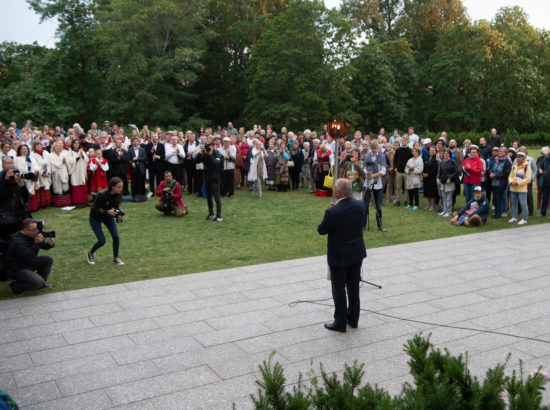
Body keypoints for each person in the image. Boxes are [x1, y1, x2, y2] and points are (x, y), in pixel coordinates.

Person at [318, 178, 366, 333]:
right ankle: (353, 319)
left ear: (339, 192)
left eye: (334, 188)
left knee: (338, 288)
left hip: (339, 255)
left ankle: (339, 322)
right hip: (356, 253)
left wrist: (335, 211)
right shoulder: (361, 205)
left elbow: (321, 230)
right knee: (353, 288)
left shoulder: (332, 212)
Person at [4, 218, 55, 296]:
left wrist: (50, 244)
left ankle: (41, 283)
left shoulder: (30, 235)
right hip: (15, 269)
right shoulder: (17, 242)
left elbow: (44, 246)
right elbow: (29, 257)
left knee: (48, 259)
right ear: (25, 230)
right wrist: (37, 244)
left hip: (25, 263)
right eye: (34, 229)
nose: (37, 231)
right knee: (38, 283)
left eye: (37, 228)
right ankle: (15, 287)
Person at [87, 177, 125, 265]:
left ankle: (116, 258)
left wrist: (119, 212)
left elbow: (116, 206)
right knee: (101, 241)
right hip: (95, 218)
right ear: (112, 187)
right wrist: (107, 211)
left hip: (107, 216)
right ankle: (91, 253)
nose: (121, 189)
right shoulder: (101, 195)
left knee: (116, 237)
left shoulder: (118, 194)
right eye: (119, 187)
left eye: (121, 187)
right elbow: (95, 209)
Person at [0, 157, 31, 240]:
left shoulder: (18, 184)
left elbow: (26, 199)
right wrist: (6, 181)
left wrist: (22, 186)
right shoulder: (3, 184)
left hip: (19, 215)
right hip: (6, 217)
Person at [362, 142, 387, 231]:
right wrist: (367, 173)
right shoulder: (368, 156)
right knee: (365, 206)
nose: (373, 150)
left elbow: (383, 171)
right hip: (368, 184)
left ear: (378, 148)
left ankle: (380, 225)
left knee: (378, 207)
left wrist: (374, 175)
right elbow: (364, 167)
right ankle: (363, 225)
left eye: (375, 148)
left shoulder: (381, 157)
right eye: (372, 148)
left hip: (378, 184)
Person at [196, 142, 223, 222]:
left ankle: (219, 216)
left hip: (215, 178)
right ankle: (211, 214)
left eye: (209, 146)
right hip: (207, 178)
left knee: (217, 198)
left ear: (212, 146)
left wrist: (210, 155)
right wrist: (200, 153)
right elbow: (196, 161)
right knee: (208, 197)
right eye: (207, 147)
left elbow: (216, 164)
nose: (208, 148)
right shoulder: (204, 153)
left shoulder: (217, 153)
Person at [508, 152, 532, 225]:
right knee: (514, 203)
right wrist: (511, 181)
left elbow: (528, 178)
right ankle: (514, 217)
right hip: (513, 188)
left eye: (520, 157)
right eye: (517, 157)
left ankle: (524, 219)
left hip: (522, 188)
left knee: (523, 203)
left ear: (523, 158)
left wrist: (518, 183)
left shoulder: (527, 166)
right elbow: (510, 175)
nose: (518, 158)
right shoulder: (514, 165)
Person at [490, 147, 512, 220]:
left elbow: (506, 174)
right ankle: (496, 212)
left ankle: (498, 214)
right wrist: (491, 173)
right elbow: (491, 168)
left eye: (502, 151)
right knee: (495, 199)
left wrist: (496, 175)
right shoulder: (496, 160)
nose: (500, 152)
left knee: (499, 198)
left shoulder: (507, 161)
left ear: (505, 153)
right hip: (494, 182)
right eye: (499, 151)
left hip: (501, 183)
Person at [66, 139, 89, 207]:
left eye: (77, 143)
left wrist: (82, 155)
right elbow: (69, 162)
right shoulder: (70, 152)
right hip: (75, 170)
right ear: (72, 144)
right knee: (75, 184)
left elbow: (87, 160)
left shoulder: (82, 151)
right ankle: (76, 201)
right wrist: (77, 157)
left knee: (82, 184)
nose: (76, 144)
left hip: (81, 170)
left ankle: (83, 201)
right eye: (75, 143)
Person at [49, 141, 71, 207]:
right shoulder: (51, 155)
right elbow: (54, 164)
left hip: (63, 172)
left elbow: (67, 163)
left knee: (65, 187)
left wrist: (65, 161)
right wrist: (61, 162)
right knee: (58, 188)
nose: (57, 147)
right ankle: (58, 203)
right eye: (56, 146)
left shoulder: (63, 154)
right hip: (56, 173)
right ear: (53, 147)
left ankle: (66, 202)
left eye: (59, 146)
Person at [437, 149, 457, 217]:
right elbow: (439, 171)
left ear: (450, 155)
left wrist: (450, 179)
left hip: (449, 182)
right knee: (444, 197)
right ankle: (445, 210)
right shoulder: (442, 162)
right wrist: (438, 178)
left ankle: (449, 211)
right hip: (443, 181)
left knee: (449, 198)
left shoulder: (453, 162)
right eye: (445, 154)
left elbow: (455, 172)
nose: (446, 155)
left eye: (447, 154)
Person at [126, 136, 147, 201]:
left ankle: (141, 194)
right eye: (134, 141)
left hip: (141, 167)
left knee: (141, 181)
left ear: (139, 142)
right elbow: (128, 159)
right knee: (134, 181)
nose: (135, 143)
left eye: (136, 141)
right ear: (132, 143)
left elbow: (145, 157)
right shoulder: (130, 150)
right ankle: (134, 195)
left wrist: (138, 158)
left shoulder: (142, 149)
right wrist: (131, 163)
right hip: (133, 168)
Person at [423, 146, 438, 210]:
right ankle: (429, 204)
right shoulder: (426, 158)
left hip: (432, 178)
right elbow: (423, 166)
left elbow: (435, 169)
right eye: (430, 150)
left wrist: (428, 174)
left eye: (433, 150)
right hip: (425, 178)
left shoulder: (436, 159)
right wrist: (423, 173)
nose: (431, 151)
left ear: (435, 151)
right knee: (427, 191)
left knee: (432, 192)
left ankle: (432, 205)